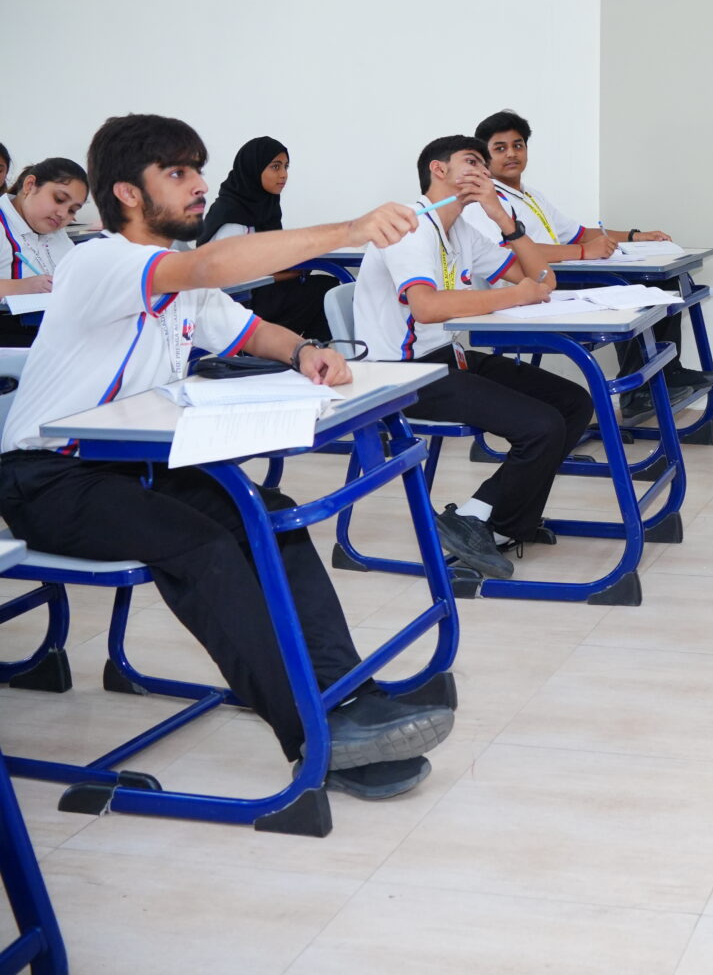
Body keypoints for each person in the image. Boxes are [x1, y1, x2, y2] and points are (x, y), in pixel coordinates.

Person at [0, 114, 452, 800]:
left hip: (132, 467)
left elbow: (248, 328)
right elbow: (209, 264)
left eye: (198, 171)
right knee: (203, 545)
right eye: (178, 173)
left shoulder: (184, 282)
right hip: (46, 478)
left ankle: (345, 697)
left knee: (272, 513)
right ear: (126, 192)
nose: (200, 187)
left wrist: (303, 350)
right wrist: (350, 230)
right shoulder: (100, 262)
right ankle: (313, 733)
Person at [352, 134, 592, 580]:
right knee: (541, 426)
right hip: (400, 375)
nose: (483, 171)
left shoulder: (461, 229)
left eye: (485, 164)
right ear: (438, 170)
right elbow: (426, 306)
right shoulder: (407, 227)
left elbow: (541, 277)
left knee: (575, 402)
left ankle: (496, 520)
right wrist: (513, 299)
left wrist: (502, 217)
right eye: (471, 161)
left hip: (447, 358)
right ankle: (479, 517)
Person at [472, 110, 713, 416]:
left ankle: (667, 373)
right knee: (634, 289)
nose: (511, 154)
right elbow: (510, 254)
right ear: (484, 157)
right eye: (500, 148)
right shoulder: (486, 203)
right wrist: (582, 253)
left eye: (518, 145)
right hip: (525, 291)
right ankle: (637, 394)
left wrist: (636, 235)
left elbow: (579, 233)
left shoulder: (530, 195)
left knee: (663, 283)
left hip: (553, 279)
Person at [196, 136, 337, 339]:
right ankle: (303, 353)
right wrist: (292, 272)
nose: (283, 175)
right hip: (237, 303)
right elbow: (230, 276)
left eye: (286, 167)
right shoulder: (233, 215)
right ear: (253, 168)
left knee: (324, 286)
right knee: (325, 291)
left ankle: (304, 352)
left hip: (259, 293)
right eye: (275, 167)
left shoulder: (263, 206)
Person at [0, 158, 88, 347]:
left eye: (73, 210)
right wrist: (20, 287)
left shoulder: (57, 235)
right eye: (59, 199)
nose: (63, 214)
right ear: (30, 185)